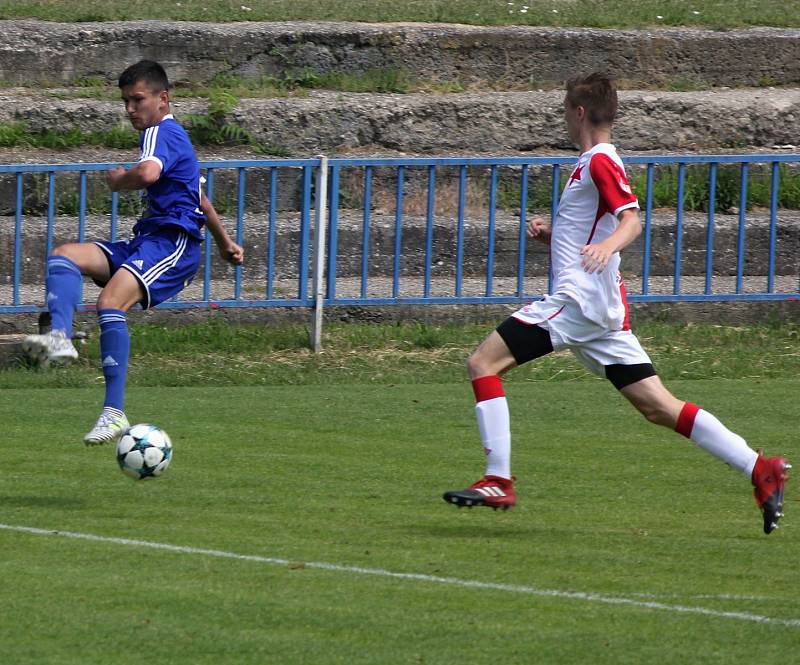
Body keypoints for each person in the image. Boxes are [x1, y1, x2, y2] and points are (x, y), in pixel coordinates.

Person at [442, 73, 790, 535]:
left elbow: (631, 219)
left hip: (580, 302)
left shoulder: (599, 160)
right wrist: (557, 237)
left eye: (566, 111)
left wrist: (608, 247)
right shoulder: (591, 163)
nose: (565, 120)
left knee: (483, 363)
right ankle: (759, 468)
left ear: (579, 112)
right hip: (602, 309)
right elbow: (594, 228)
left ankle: (497, 478)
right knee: (659, 407)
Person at [23, 60, 244, 445]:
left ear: (163, 98)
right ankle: (59, 335)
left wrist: (117, 181)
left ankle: (114, 411)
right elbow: (201, 198)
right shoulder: (173, 139)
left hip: (173, 243)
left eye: (137, 99)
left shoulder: (161, 132)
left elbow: (146, 175)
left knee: (110, 302)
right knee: (65, 255)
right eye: (125, 101)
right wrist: (226, 244)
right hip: (147, 240)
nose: (130, 109)